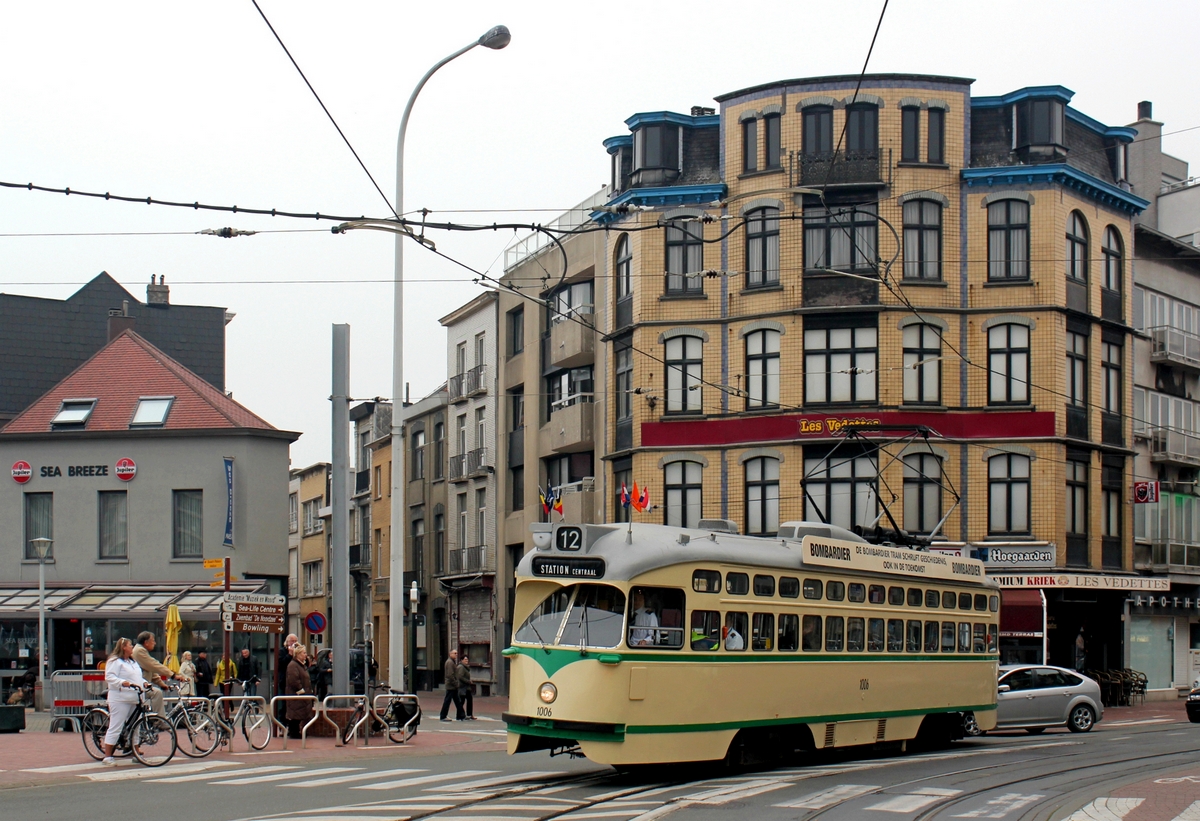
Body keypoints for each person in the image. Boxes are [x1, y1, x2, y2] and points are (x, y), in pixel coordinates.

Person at [101, 637, 147, 766]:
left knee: (135, 725)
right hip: (120, 698)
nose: (132, 647)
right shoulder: (115, 661)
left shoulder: (132, 662)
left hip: (135, 697)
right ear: (123, 647)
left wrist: (145, 684)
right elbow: (109, 677)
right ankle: (108, 756)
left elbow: (137, 677)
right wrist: (122, 682)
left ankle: (135, 752)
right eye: (130, 645)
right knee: (116, 725)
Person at [131, 632, 185, 715]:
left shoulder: (140, 650)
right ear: (146, 642)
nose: (155, 643)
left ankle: (157, 719)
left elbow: (150, 670)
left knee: (157, 692)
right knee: (156, 693)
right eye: (153, 641)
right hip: (139, 687)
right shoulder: (139, 651)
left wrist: (162, 684)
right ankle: (159, 721)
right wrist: (173, 675)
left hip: (141, 686)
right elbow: (154, 665)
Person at [284, 645, 313, 740]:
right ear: (298, 654)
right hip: (296, 695)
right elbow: (293, 680)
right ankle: (294, 733)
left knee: (300, 713)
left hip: (303, 694)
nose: (306, 655)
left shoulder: (302, 665)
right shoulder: (293, 665)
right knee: (295, 715)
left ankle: (298, 732)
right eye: (304, 653)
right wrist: (301, 690)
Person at [275, 634, 298, 732]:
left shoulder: (298, 651)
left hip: (294, 681)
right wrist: (289, 655)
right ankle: (282, 725)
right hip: (284, 681)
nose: (293, 643)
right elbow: (281, 664)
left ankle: (293, 726)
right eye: (291, 641)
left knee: (294, 705)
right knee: (283, 705)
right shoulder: (282, 651)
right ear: (287, 642)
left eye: (295, 641)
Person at [439, 649, 464, 722]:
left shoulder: (452, 662)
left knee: (457, 701)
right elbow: (450, 675)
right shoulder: (450, 662)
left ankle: (461, 715)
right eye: (455, 653)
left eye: (457, 653)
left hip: (452, 685)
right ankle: (443, 715)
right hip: (451, 685)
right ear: (450, 654)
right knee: (448, 701)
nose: (456, 654)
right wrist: (456, 684)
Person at [456, 653, 475, 720]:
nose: (466, 661)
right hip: (462, 687)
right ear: (461, 660)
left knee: (469, 699)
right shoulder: (461, 667)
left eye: (467, 659)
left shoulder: (465, 667)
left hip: (466, 687)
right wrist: (468, 681)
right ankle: (460, 715)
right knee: (462, 701)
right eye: (465, 659)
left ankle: (469, 714)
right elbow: (460, 677)